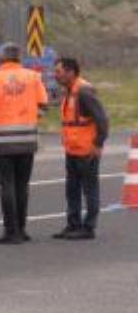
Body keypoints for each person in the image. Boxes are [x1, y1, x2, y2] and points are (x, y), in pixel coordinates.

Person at [0, 42, 46, 244]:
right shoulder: (33, 77)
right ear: (19, 58)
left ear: (1, 58)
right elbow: (43, 104)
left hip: (2, 141)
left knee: (7, 185)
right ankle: (22, 230)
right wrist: (32, 118)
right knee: (22, 185)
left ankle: (11, 231)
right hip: (27, 139)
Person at [52, 57, 108, 240]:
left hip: (87, 151)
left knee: (89, 189)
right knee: (72, 190)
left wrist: (98, 144)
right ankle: (73, 225)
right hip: (72, 150)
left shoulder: (84, 92)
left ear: (70, 72)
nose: (56, 75)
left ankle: (88, 227)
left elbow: (102, 119)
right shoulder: (69, 91)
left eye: (59, 71)